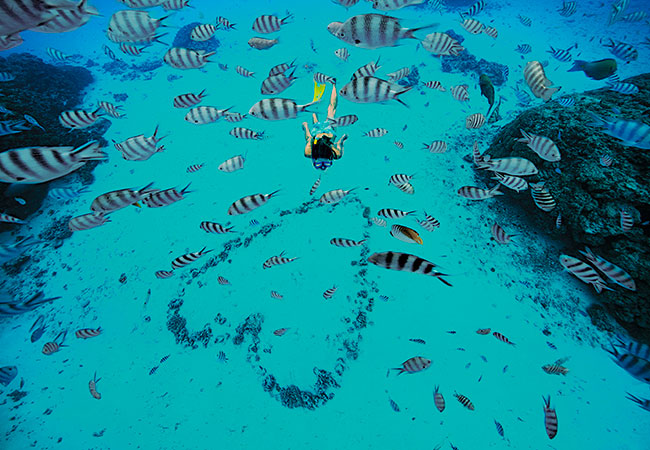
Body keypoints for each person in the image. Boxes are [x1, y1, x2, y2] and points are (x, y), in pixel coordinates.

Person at [302, 82, 348, 170]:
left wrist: (343, 138)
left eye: (319, 164)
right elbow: (309, 138)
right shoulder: (308, 153)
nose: (323, 167)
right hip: (317, 134)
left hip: (329, 133)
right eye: (327, 163)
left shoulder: (336, 155)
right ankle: (316, 102)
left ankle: (333, 85)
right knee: (315, 115)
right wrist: (305, 127)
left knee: (332, 109)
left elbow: (340, 143)